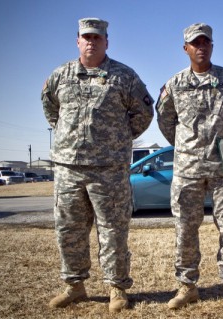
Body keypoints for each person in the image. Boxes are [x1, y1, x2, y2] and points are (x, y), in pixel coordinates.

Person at [41, 17, 154, 313]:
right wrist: (66, 135)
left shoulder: (124, 76)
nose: (91, 41)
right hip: (68, 168)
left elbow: (143, 113)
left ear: (107, 41)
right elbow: (50, 108)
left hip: (109, 169)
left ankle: (116, 287)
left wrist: (117, 139)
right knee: (69, 230)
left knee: (113, 230)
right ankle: (75, 286)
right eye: (86, 37)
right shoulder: (60, 75)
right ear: (77, 40)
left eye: (97, 37)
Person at [156, 23, 223, 311]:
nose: (201, 47)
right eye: (195, 43)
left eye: (206, 42)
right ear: (185, 48)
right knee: (185, 230)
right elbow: (166, 122)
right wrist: (186, 145)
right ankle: (187, 286)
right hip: (187, 169)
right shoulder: (175, 84)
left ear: (212, 46)